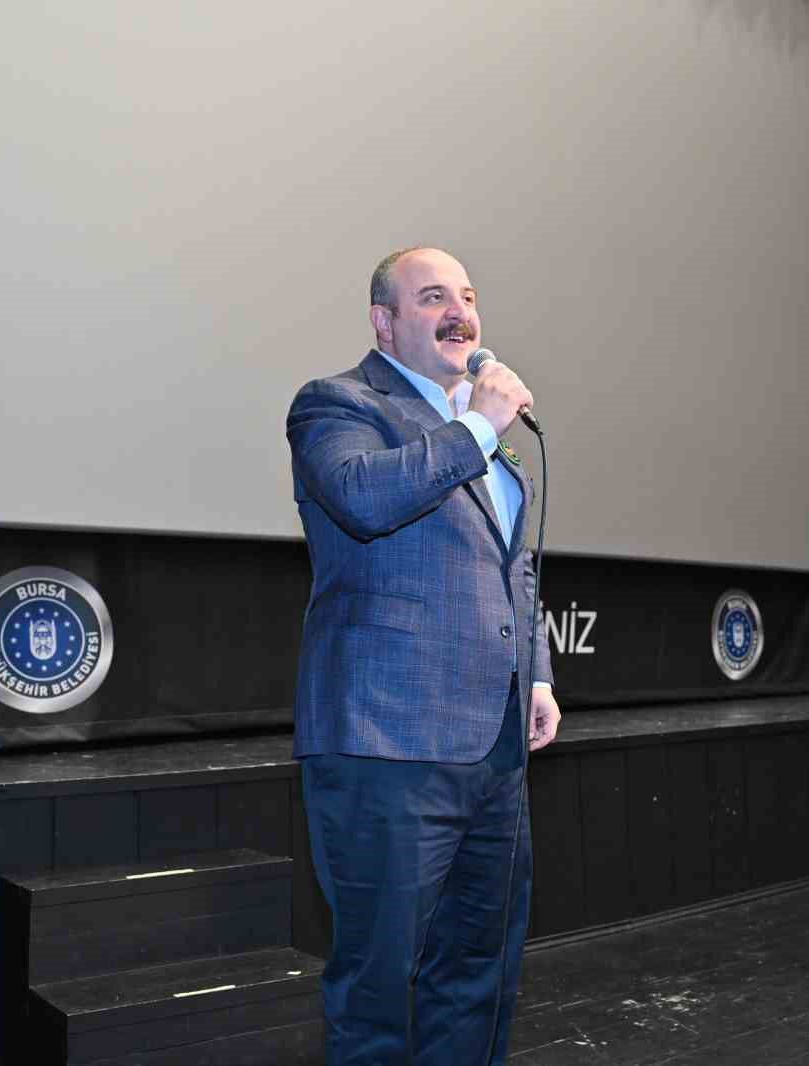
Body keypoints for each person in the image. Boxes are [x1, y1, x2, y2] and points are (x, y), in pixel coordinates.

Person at [285, 246, 561, 1065]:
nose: (460, 313)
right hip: (388, 741)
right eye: (434, 296)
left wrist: (538, 674)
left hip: (495, 747)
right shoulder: (339, 404)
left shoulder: (480, 433)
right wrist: (477, 426)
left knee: (479, 972)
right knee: (379, 986)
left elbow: (514, 566)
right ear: (385, 320)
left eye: (468, 296)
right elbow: (364, 499)